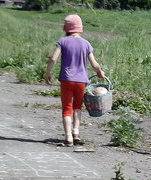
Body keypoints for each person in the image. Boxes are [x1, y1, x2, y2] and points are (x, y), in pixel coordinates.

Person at [43, 14, 106, 147]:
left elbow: (53, 59)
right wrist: (99, 72)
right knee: (77, 107)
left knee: (67, 108)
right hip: (81, 81)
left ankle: (68, 138)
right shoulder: (86, 44)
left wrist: (47, 73)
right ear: (80, 27)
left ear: (66, 28)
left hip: (66, 79)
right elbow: (94, 64)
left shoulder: (62, 41)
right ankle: (76, 133)